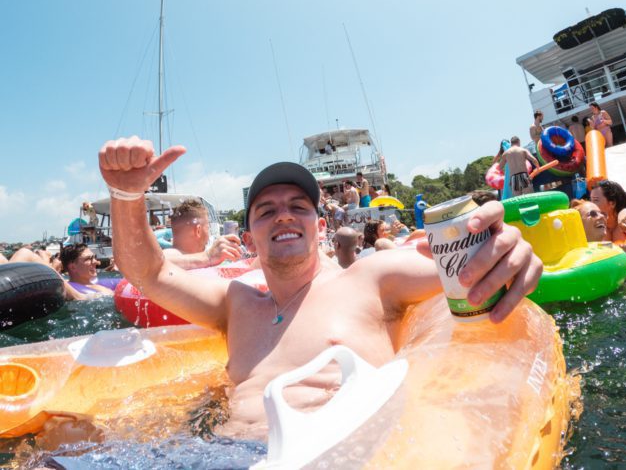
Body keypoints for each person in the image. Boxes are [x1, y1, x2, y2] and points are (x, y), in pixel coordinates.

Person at [98, 136, 541, 440]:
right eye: (266, 211)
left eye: (298, 207)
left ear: (321, 226)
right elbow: (150, 273)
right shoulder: (235, 304)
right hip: (221, 454)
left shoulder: (372, 278)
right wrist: (125, 195)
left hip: (338, 451)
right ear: (249, 239)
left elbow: (466, 270)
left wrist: (505, 249)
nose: (284, 215)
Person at [162, 199, 241, 270]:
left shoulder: (185, 261)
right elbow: (159, 264)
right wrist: (208, 256)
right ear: (198, 231)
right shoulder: (168, 256)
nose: (209, 234)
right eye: (207, 228)